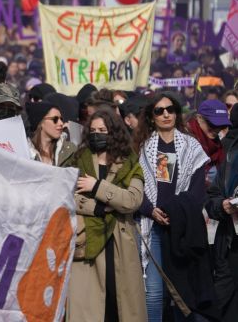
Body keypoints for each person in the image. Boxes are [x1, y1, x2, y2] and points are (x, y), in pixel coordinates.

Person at [135, 92, 212, 322]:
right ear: (152, 116)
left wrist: (174, 212)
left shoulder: (191, 145)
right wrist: (151, 210)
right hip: (153, 227)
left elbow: (198, 191)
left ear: (177, 113)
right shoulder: (142, 147)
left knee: (183, 292)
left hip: (183, 228)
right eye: (159, 111)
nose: (166, 114)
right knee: (154, 293)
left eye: (170, 109)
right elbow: (135, 186)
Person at [67, 106, 146, 322]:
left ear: (113, 132)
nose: (96, 134)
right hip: (88, 244)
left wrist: (96, 187)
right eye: (92, 130)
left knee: (119, 306)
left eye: (102, 130)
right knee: (90, 308)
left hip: (120, 243)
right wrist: (99, 208)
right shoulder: (79, 159)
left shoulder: (129, 162)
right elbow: (67, 197)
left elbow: (132, 201)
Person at [204, 104, 238, 320]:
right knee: (221, 305)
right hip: (230, 244)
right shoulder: (229, 153)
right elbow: (212, 197)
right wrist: (223, 206)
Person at [26, 101, 76, 166]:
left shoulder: (70, 149)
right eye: (55, 119)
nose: (61, 123)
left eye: (61, 119)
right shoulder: (25, 152)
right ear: (41, 123)